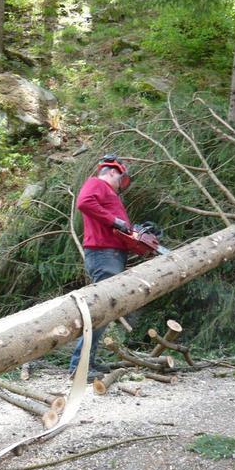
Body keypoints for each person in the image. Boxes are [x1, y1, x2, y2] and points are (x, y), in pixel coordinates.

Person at [69, 154, 135, 382]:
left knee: (105, 311)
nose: (120, 185)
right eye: (120, 179)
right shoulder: (97, 183)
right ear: (112, 172)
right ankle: (79, 366)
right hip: (103, 253)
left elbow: (119, 227)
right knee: (101, 308)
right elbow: (84, 203)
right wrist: (113, 220)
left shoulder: (109, 194)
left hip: (111, 253)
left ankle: (89, 360)